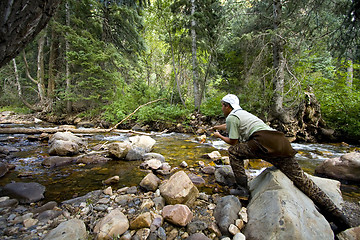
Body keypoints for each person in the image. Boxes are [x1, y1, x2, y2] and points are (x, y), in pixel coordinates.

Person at [210, 93, 351, 233]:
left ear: (227, 106)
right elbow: (228, 125)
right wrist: (217, 127)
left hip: (262, 143)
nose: (222, 109)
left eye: (223, 106)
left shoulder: (232, 117)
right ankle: (340, 219)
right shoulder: (242, 114)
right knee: (304, 182)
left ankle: (242, 188)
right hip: (280, 143)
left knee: (234, 152)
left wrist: (218, 135)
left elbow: (233, 142)